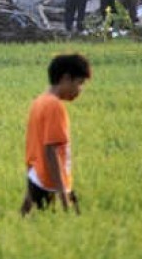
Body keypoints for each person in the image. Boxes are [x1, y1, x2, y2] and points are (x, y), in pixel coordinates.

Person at [20, 53, 91, 216]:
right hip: (51, 183)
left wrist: (29, 194)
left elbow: (34, 151)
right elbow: (50, 151)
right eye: (80, 83)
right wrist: (64, 196)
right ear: (66, 78)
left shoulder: (39, 102)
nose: (80, 89)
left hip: (38, 178)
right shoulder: (54, 106)